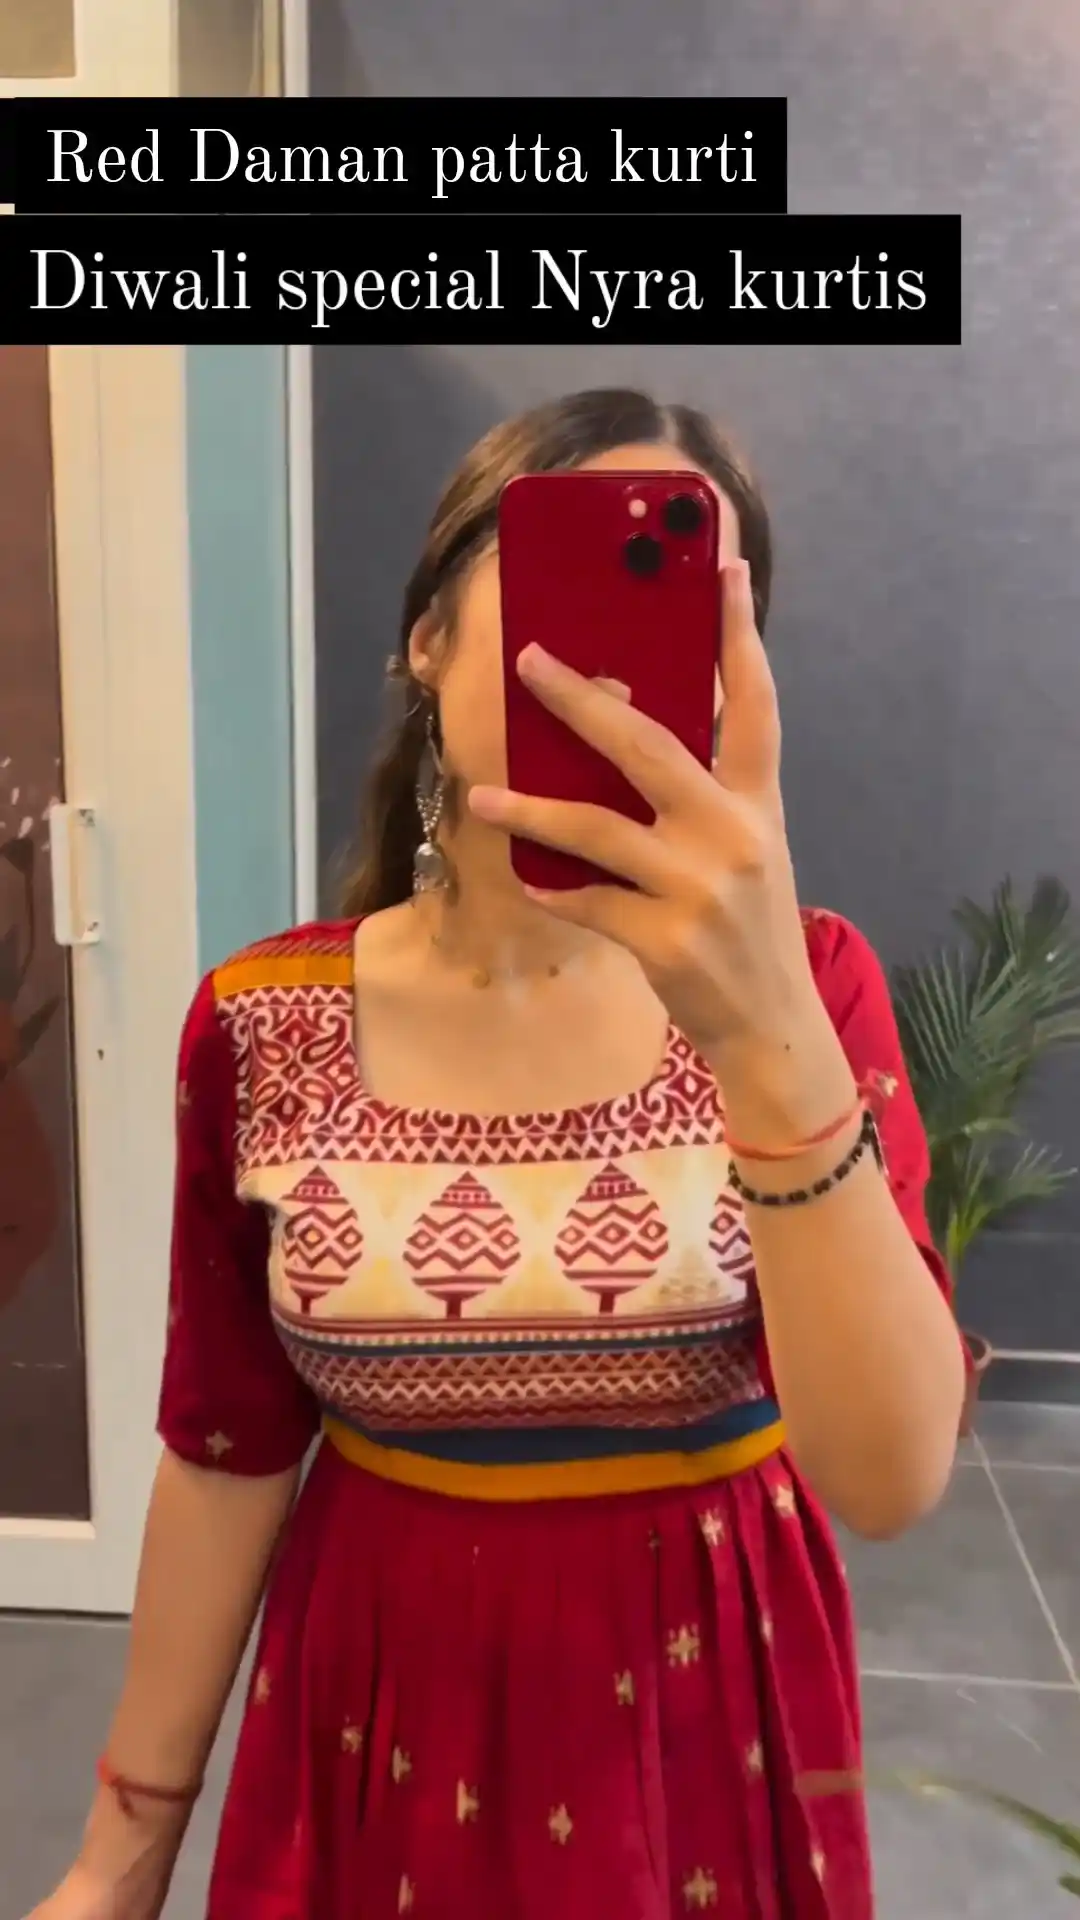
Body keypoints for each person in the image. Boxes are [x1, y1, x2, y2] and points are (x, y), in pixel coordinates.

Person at [33, 388, 967, 1920]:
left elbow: (888, 1476)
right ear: (426, 638)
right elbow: (225, 1454)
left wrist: (762, 1031)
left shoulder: (811, 988)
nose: (615, 655)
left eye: (690, 599)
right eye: (566, 569)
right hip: (378, 1719)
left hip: (701, 1733)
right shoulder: (265, 1022)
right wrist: (116, 1859)